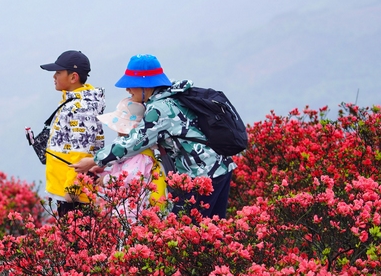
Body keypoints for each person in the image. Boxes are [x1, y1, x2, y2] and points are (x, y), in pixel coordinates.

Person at [72, 54, 236, 219]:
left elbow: (132, 142)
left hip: (201, 173)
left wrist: (94, 160)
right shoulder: (172, 95)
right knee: (213, 229)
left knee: (186, 229)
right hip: (219, 166)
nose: (127, 90)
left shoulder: (159, 109)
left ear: (145, 84)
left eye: (131, 85)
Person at [39, 50, 105, 217]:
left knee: (75, 241)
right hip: (66, 190)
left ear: (73, 77)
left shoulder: (80, 108)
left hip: (74, 197)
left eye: (59, 72)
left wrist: (72, 190)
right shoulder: (72, 101)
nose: (54, 76)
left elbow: (80, 153)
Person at [96, 96, 166, 220]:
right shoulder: (128, 154)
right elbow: (119, 173)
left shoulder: (141, 154)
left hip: (132, 211)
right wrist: (102, 174)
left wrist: (106, 179)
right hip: (121, 208)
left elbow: (130, 177)